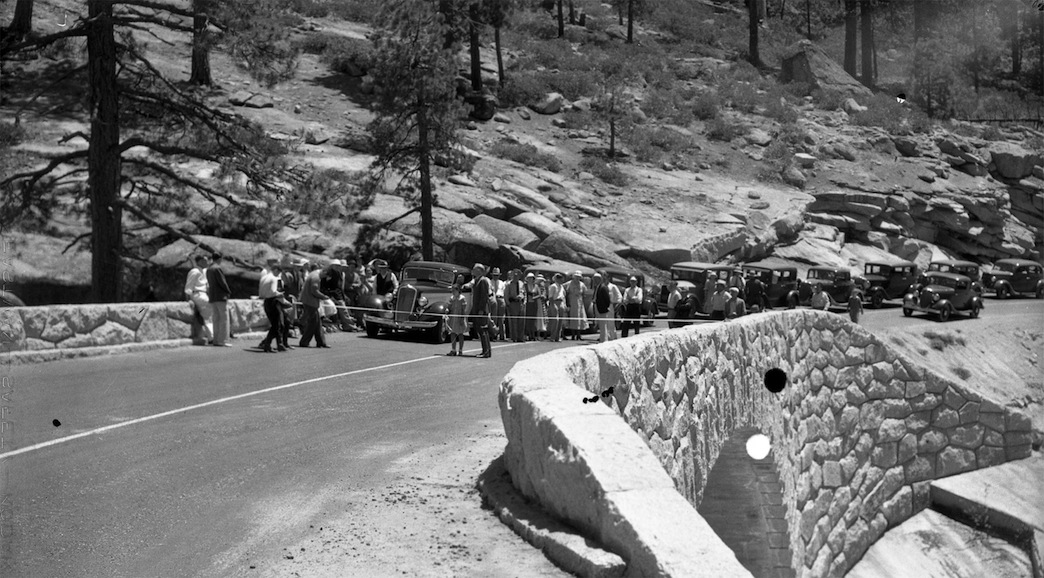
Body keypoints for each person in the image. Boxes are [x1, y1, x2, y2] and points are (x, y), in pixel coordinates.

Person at [299, 262, 331, 348]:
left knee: (317, 323)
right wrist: (323, 297)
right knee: (313, 323)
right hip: (310, 302)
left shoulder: (313, 274)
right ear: (324, 272)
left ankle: (321, 342)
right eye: (325, 276)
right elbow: (314, 291)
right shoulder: (316, 277)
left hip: (309, 301)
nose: (324, 278)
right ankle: (304, 342)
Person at [258, 261, 287, 353]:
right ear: (275, 270)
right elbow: (273, 291)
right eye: (278, 272)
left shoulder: (263, 278)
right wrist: (281, 294)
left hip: (266, 302)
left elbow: (261, 293)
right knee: (276, 325)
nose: (278, 274)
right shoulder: (273, 279)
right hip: (273, 301)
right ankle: (267, 344)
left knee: (276, 324)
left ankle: (279, 344)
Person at [185, 254, 213, 345]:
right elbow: (189, 286)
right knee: (208, 314)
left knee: (209, 314)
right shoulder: (195, 271)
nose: (207, 262)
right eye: (205, 260)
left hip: (203, 293)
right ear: (200, 261)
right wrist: (188, 299)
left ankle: (211, 335)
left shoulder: (203, 271)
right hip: (198, 294)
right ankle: (212, 337)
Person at [206, 253, 233, 346]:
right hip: (220, 296)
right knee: (224, 319)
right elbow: (222, 282)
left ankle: (216, 340)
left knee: (216, 318)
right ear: (220, 259)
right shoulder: (217, 268)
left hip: (212, 296)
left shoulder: (209, 269)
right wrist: (228, 291)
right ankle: (223, 340)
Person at [469, 264, 493, 358]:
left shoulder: (483, 281)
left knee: (483, 329)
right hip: (477, 309)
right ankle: (485, 350)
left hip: (481, 310)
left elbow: (484, 297)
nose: (472, 271)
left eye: (474, 269)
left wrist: (481, 309)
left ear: (479, 270)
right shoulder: (477, 280)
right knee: (481, 329)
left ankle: (486, 351)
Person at [564, 271, 588, 340]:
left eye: (579, 277)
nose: (577, 278)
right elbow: (564, 289)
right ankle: (573, 334)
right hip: (572, 303)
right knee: (573, 318)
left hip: (580, 303)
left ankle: (579, 334)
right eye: (576, 277)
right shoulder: (569, 283)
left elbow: (584, 293)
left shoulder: (582, 284)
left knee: (580, 318)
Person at [446, 283, 468, 355]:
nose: (453, 292)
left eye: (454, 290)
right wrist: (447, 310)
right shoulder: (452, 298)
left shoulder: (462, 298)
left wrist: (462, 318)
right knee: (452, 333)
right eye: (452, 291)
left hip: (460, 318)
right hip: (453, 318)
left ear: (458, 290)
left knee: (460, 334)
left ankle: (460, 350)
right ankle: (453, 349)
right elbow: (449, 306)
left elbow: (464, 309)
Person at [505, 269, 526, 342]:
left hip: (520, 303)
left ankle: (521, 337)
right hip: (513, 303)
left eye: (518, 275)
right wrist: (508, 304)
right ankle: (514, 337)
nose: (516, 276)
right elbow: (506, 295)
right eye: (515, 275)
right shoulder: (508, 284)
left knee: (521, 321)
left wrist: (524, 301)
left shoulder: (521, 283)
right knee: (513, 322)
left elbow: (524, 293)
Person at [592, 273, 613, 342]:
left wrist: (605, 307)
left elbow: (607, 299)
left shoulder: (603, 287)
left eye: (596, 279)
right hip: (598, 308)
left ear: (600, 279)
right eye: (594, 279)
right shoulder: (597, 287)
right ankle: (602, 339)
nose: (594, 281)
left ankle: (604, 340)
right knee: (601, 325)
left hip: (602, 309)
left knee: (603, 325)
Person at [523, 273, 541, 341]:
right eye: (529, 278)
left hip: (534, 304)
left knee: (533, 320)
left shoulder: (536, 286)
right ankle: (527, 334)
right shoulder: (525, 286)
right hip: (527, 304)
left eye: (531, 278)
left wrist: (534, 297)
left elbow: (539, 295)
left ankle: (532, 335)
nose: (530, 279)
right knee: (527, 320)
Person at [546, 273, 564, 342]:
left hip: (561, 302)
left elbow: (562, 295)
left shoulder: (561, 286)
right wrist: (552, 305)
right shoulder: (553, 286)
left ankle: (557, 336)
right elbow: (550, 296)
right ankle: (552, 336)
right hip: (554, 302)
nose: (560, 279)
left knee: (560, 321)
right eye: (558, 278)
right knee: (555, 320)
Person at [490, 267, 506, 341]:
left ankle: (502, 335)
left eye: (497, 275)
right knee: (494, 318)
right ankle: (494, 335)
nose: (495, 277)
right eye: (494, 275)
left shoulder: (502, 283)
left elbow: (505, 293)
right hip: (493, 299)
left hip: (501, 298)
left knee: (501, 318)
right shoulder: (489, 282)